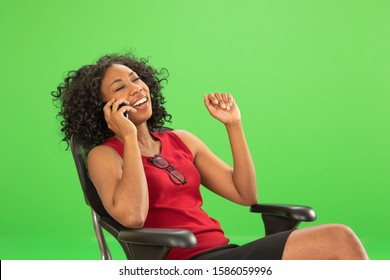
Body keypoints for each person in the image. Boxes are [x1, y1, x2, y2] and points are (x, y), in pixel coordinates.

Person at [52, 53, 368, 260]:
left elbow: (245, 194)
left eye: (137, 79)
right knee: (338, 239)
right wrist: (130, 137)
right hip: (185, 261)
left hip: (223, 255)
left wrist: (234, 125)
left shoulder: (182, 140)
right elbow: (133, 217)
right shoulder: (104, 156)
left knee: (335, 250)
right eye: (120, 87)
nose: (137, 88)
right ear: (104, 109)